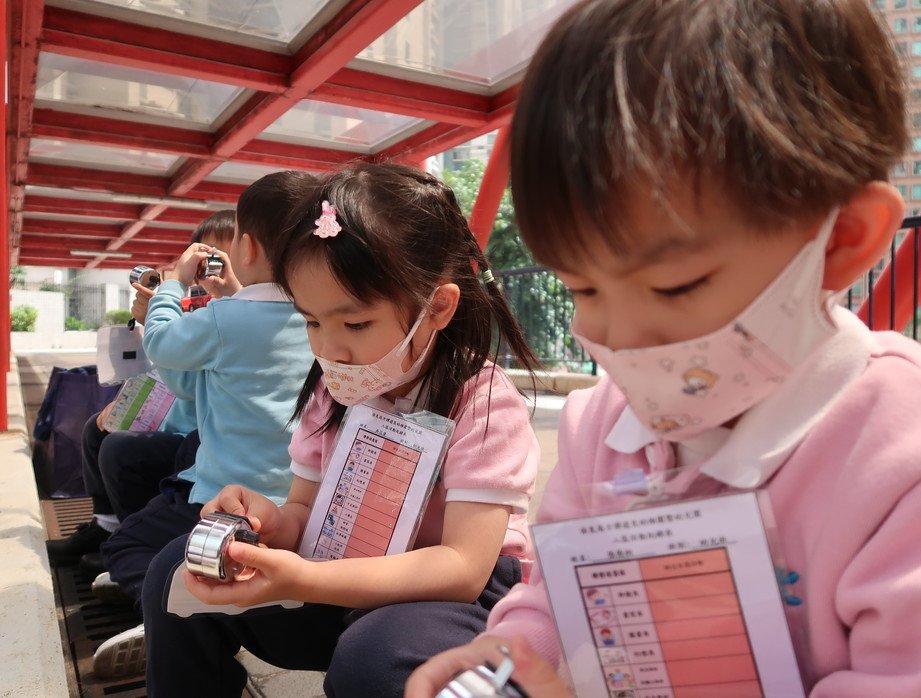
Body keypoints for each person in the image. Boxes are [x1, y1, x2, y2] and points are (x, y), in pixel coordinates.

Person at [406, 2, 921, 697]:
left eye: (675, 286)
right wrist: (506, 656)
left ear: (842, 240)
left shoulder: (897, 458)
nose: (614, 336)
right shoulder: (600, 426)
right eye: (582, 288)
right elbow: (556, 595)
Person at [140, 162, 542, 697]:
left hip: (451, 605)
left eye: (355, 323)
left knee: (375, 656)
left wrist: (305, 579)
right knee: (177, 568)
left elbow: (463, 568)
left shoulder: (481, 400)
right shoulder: (333, 392)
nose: (329, 349)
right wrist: (268, 522)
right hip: (340, 573)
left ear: (439, 307)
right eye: (311, 321)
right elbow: (303, 512)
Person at [91, 171, 315, 678]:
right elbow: (193, 381)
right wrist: (232, 291)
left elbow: (164, 346)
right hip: (292, 499)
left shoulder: (221, 319)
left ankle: (162, 611)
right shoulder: (316, 318)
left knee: (127, 544)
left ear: (247, 246)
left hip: (225, 497)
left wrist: (172, 284)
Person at [46, 210, 236, 573]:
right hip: (178, 421)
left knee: (121, 450)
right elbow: (163, 373)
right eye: (204, 261)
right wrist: (124, 405)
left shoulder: (225, 318)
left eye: (219, 260)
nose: (211, 272)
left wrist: (157, 321)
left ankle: (133, 546)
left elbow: (185, 384)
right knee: (97, 430)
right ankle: (107, 527)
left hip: (198, 434)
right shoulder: (201, 309)